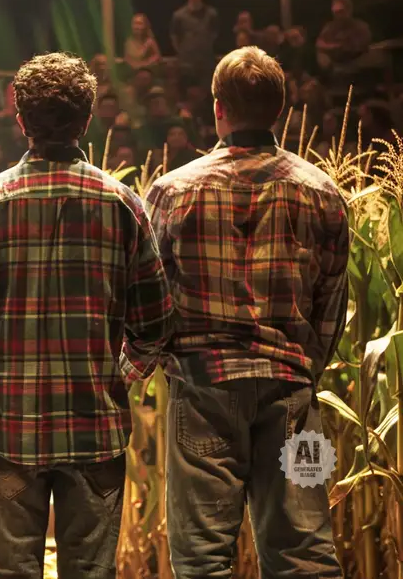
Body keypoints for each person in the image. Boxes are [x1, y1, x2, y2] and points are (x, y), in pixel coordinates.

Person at [0, 52, 173, 579]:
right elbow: (156, 322)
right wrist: (120, 377)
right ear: (88, 120)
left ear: (19, 120)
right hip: (95, 425)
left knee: (10, 572)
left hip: (9, 428)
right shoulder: (122, 204)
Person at [144, 46, 347, 579]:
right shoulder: (323, 193)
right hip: (293, 398)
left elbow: (149, 298)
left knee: (203, 557)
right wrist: (303, 369)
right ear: (280, 109)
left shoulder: (172, 191)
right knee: (306, 550)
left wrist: (165, 361)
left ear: (218, 108)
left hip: (203, 390)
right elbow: (331, 308)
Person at [171, 0, 219, 89]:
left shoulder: (211, 14)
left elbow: (214, 34)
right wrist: (185, 52)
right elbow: (174, 37)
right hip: (185, 65)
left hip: (206, 65)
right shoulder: (179, 16)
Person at [316, 0, 372, 73]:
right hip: (334, 69)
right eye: (335, 13)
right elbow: (319, 44)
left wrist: (331, 46)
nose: (338, 15)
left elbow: (354, 48)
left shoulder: (360, 27)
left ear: (349, 11)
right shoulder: (329, 27)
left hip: (356, 68)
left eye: (341, 12)